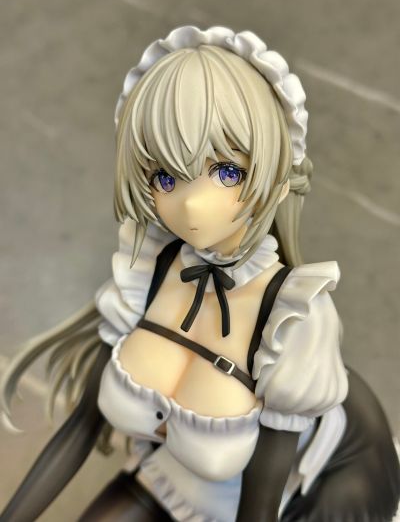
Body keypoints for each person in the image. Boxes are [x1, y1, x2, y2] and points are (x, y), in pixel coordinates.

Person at [1, 26, 399, 522]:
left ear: (277, 176)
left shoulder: (294, 318)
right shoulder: (145, 271)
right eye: (165, 177)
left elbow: (260, 506)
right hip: (167, 481)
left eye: (228, 171)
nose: (190, 203)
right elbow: (80, 430)